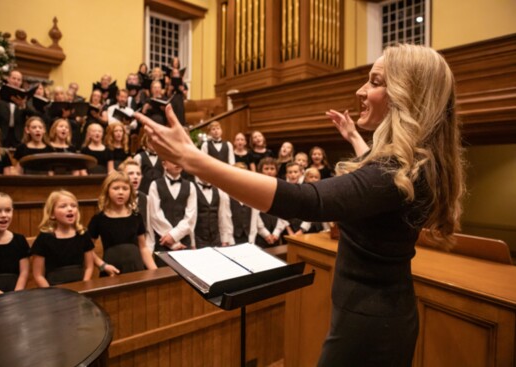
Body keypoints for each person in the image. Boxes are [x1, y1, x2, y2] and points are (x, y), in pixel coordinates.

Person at [135, 44, 465, 366]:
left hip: (370, 327)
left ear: (407, 95)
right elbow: (374, 183)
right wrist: (353, 137)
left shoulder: (391, 174)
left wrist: (193, 159)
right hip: (380, 313)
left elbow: (308, 200)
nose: (361, 91)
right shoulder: (410, 168)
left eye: (376, 82)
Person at [89, 171, 157, 275]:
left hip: (136, 268)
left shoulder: (136, 216)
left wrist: (155, 271)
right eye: (116, 188)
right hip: (112, 270)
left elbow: (143, 247)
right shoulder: (99, 218)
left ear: (130, 192)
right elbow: (87, 249)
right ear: (107, 190)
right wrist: (103, 265)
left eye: (125, 188)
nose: (121, 192)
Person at [31, 190, 95, 286]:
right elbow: (38, 275)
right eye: (63, 206)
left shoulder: (83, 234)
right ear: (52, 214)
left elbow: (89, 267)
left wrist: (84, 285)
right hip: (54, 290)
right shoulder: (44, 238)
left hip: (80, 286)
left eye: (73, 206)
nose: (70, 209)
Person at [148, 159, 197, 258]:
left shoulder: (190, 186)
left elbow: (191, 217)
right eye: (172, 160)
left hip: (184, 241)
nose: (177, 163)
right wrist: (172, 242)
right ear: (164, 164)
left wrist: (174, 236)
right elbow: (155, 215)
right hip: (163, 241)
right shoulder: (155, 185)